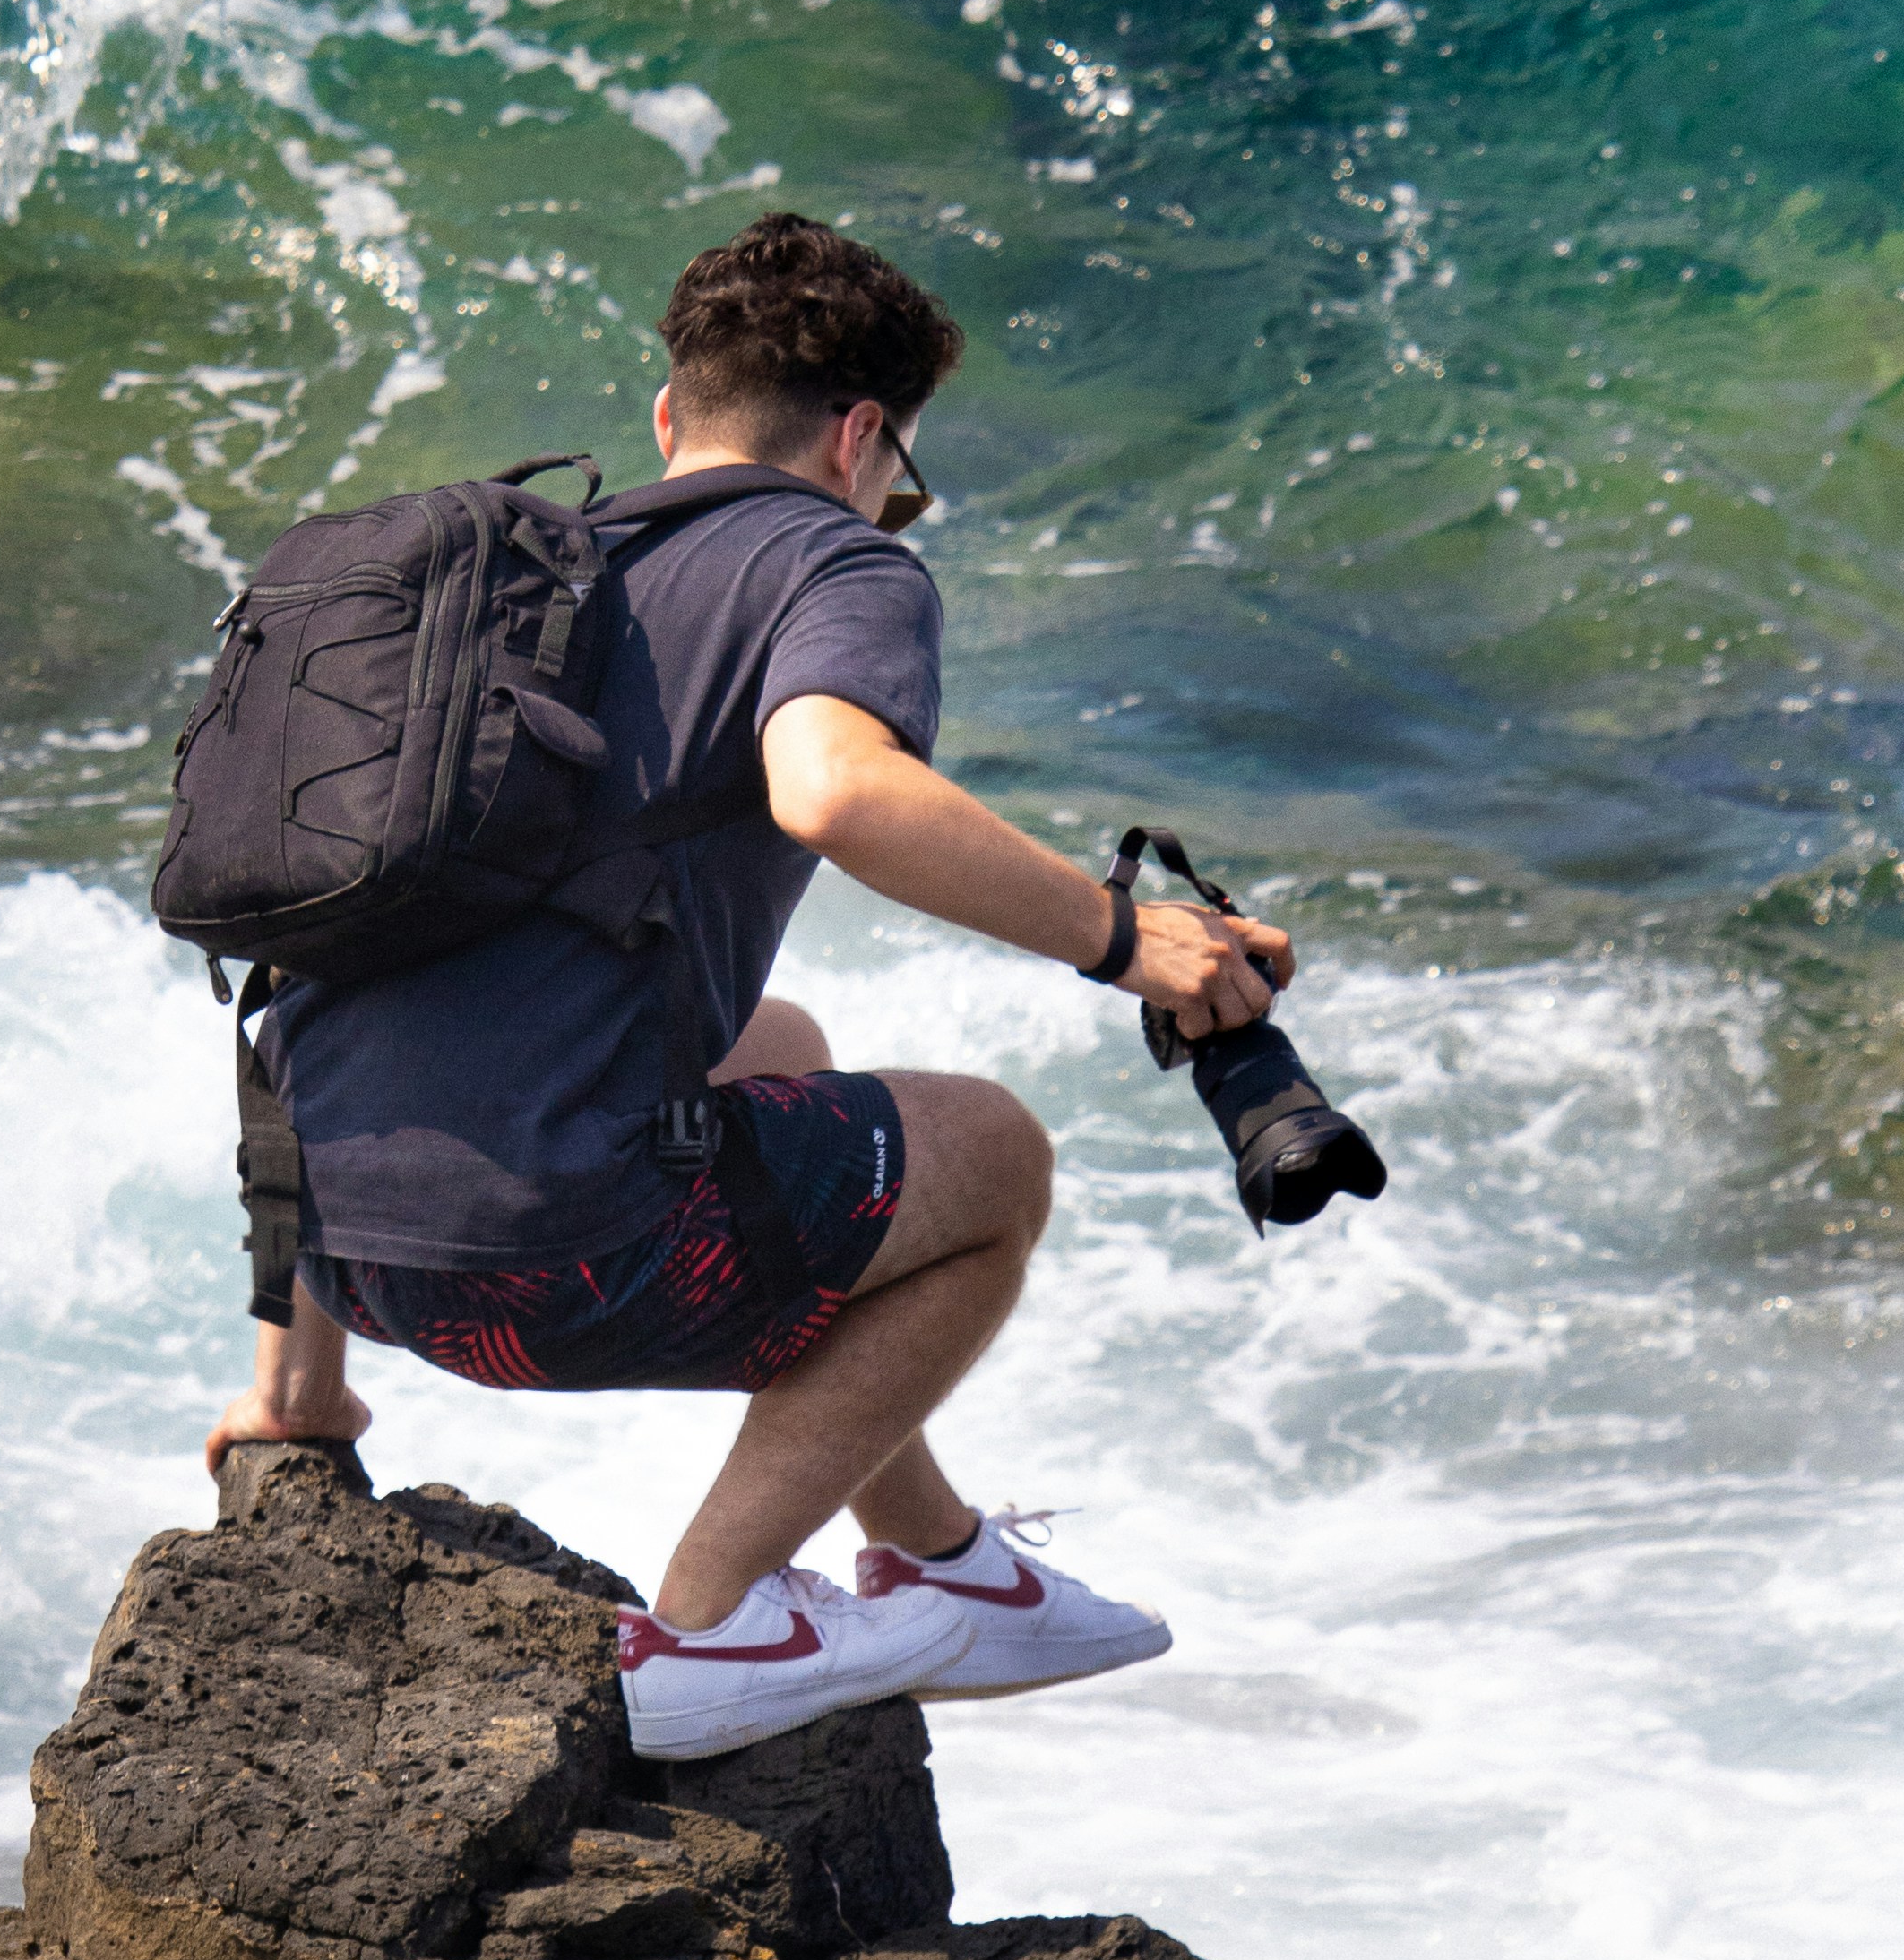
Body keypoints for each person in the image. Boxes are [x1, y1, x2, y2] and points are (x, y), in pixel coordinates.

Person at [202, 211, 1293, 1755]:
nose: (894, 507)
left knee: (782, 1049)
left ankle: (943, 1559)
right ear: (862, 440)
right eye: (902, 477)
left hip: (359, 1259)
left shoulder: (505, 591)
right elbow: (834, 793)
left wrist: (294, 1396)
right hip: (545, 1276)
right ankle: (709, 1620)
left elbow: (321, 935)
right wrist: (1125, 936)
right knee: (992, 1159)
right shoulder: (833, 561)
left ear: (669, 419)